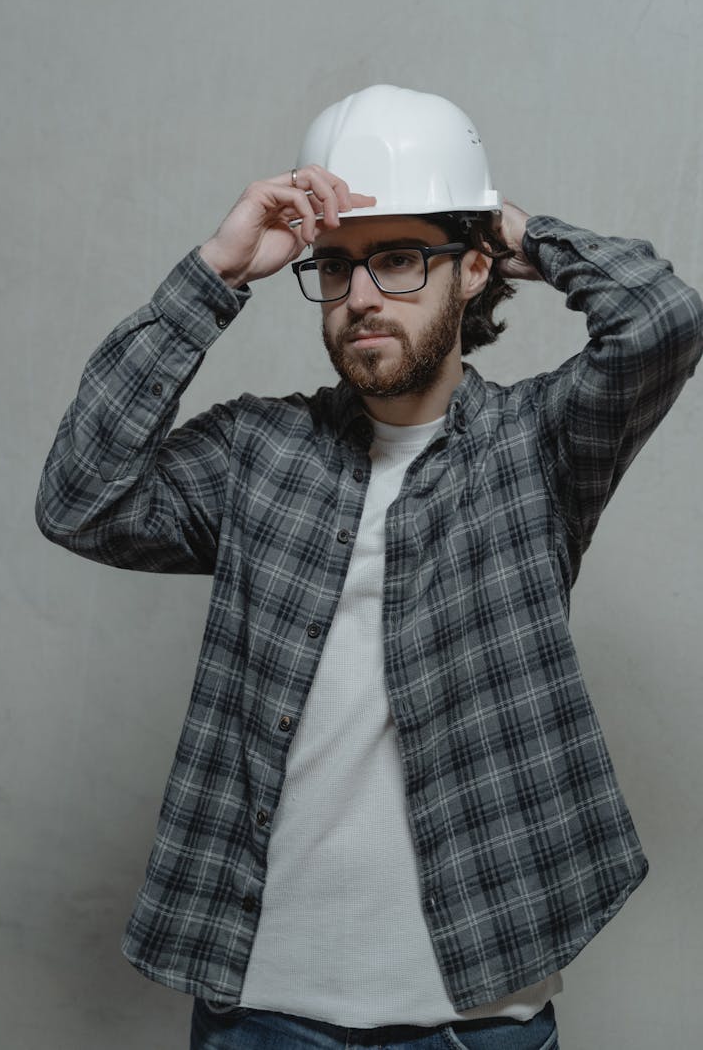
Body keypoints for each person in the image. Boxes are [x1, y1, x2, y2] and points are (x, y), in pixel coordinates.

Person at [36, 85, 703, 1050]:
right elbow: (79, 497)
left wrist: (519, 231)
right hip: (262, 1012)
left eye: (398, 259)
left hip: (477, 1018)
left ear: (472, 269)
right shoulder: (258, 454)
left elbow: (664, 318)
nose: (361, 298)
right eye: (337, 266)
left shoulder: (539, 446)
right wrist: (216, 271)